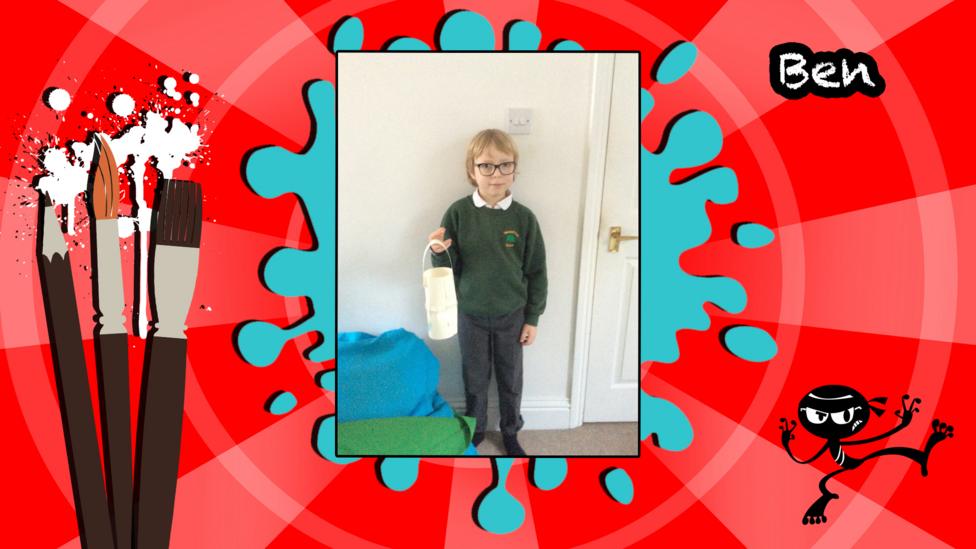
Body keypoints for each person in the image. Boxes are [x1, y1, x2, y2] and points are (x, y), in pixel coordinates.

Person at [428, 129, 547, 456]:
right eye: (486, 166)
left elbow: (536, 272)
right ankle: (476, 429)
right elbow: (446, 265)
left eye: (504, 165)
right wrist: (439, 251)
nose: (496, 174)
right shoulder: (458, 213)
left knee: (511, 380)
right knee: (475, 378)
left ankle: (510, 432)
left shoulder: (524, 219)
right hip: (471, 315)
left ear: (515, 170)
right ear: (472, 171)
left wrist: (532, 318)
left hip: (512, 316)